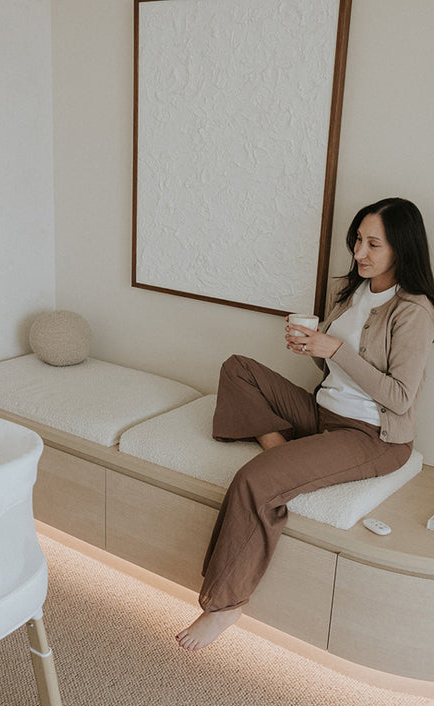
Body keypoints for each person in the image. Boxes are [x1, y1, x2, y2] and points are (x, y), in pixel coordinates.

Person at [176, 197, 434, 651]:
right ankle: (280, 449)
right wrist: (316, 352)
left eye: (374, 244)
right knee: (239, 368)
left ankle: (224, 606)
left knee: (254, 479)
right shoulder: (353, 290)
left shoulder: (413, 310)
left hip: (372, 435)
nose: (360, 253)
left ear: (402, 248)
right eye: (358, 240)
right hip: (323, 411)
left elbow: (399, 395)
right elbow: (340, 372)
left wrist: (335, 350)